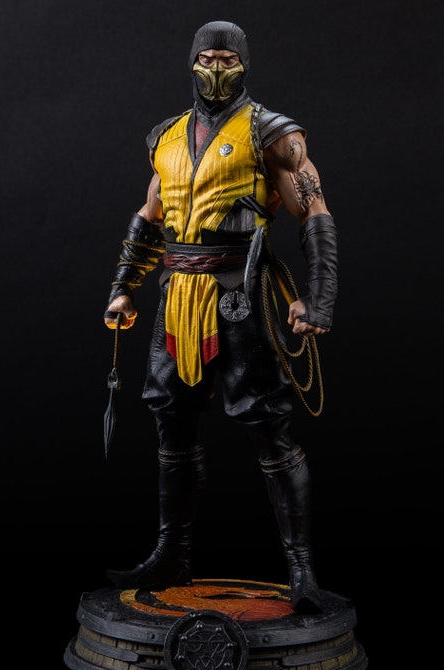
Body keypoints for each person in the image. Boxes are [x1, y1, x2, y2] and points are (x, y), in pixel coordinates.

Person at [103, 20, 338, 614]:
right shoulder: (166, 136)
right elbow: (151, 216)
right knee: (172, 420)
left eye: (227, 59)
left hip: (241, 291)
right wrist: (123, 289)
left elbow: (314, 210)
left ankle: (302, 571)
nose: (215, 68)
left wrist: (319, 296)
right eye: (206, 57)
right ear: (192, 61)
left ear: (243, 64)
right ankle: (172, 555)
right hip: (178, 294)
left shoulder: (271, 133)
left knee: (267, 424)